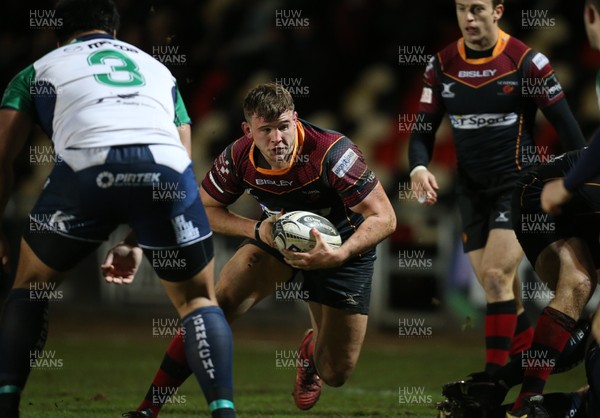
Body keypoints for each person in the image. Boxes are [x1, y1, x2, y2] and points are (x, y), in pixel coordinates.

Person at [0, 1, 236, 417]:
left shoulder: (37, 69)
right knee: (200, 300)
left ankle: (6, 404)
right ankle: (224, 412)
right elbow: (182, 155)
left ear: (59, 37)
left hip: (88, 170)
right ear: (114, 33)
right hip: (166, 171)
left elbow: (2, 156)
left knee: (30, 286)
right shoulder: (158, 71)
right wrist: (138, 241)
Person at [116, 82, 396, 417]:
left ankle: (310, 352)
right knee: (214, 308)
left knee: (335, 372)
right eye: (266, 130)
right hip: (277, 238)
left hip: (345, 250)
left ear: (296, 119)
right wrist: (255, 229)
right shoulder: (238, 157)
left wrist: (338, 254)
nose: (277, 139)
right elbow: (204, 209)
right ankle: (149, 408)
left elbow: (385, 217)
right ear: (248, 130)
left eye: (284, 127)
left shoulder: (333, 153)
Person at [408, 0, 586, 380]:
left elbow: (567, 127)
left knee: (494, 276)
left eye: (476, 9)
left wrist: (577, 184)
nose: (468, 19)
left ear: (498, 10)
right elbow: (422, 129)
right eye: (460, 9)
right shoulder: (440, 66)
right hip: (471, 193)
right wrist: (419, 167)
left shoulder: (527, 63)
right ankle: (524, 373)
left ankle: (490, 382)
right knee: (500, 291)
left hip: (518, 188)